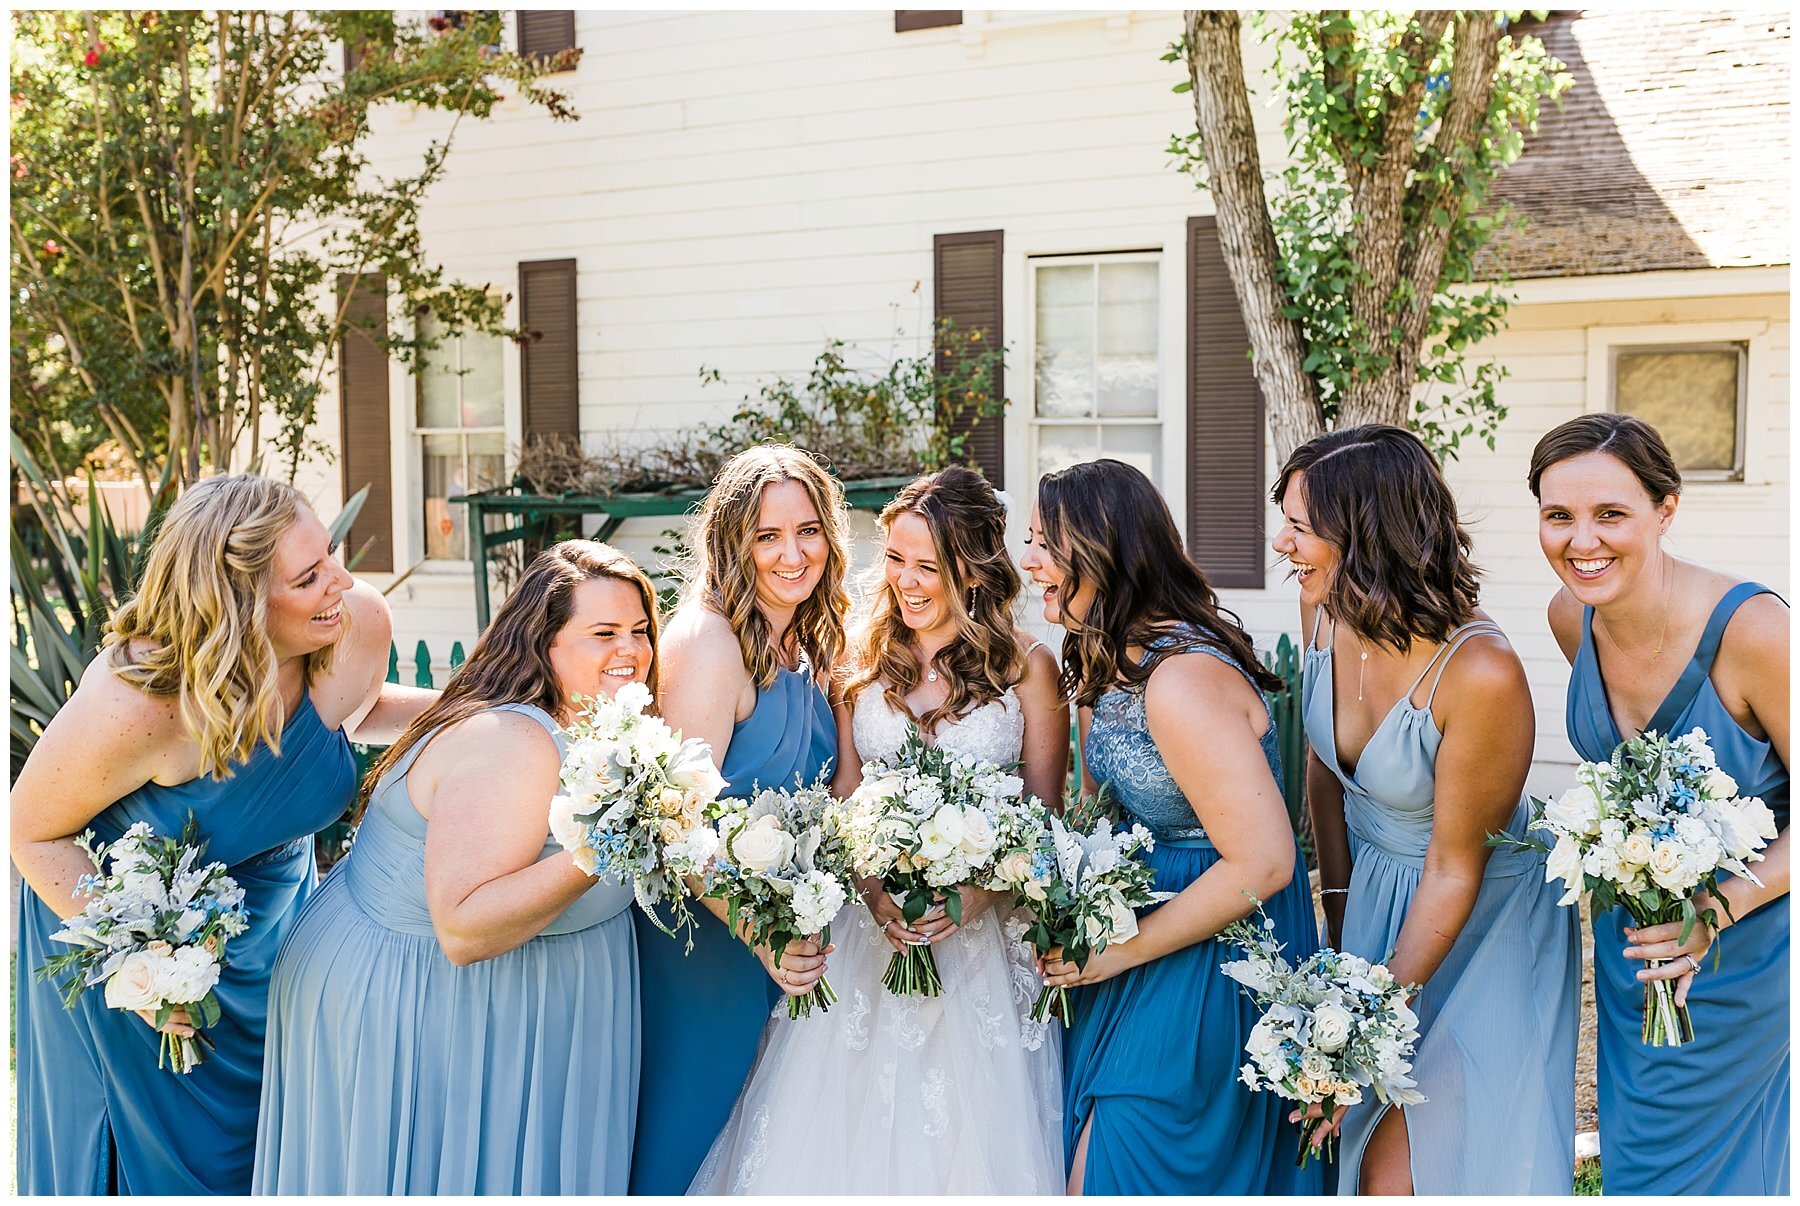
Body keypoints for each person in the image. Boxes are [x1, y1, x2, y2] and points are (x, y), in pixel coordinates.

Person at [13, 474, 429, 1194]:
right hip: (127, 935)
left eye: (330, 554)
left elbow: (353, 712)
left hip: (267, 929)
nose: (341, 581)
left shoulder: (355, 623)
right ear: (239, 603)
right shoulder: (143, 701)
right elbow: (31, 833)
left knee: (275, 1140)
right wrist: (144, 970)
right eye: (309, 577)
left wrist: (489, 708)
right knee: (176, 1164)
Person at [692, 464, 1069, 1194]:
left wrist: (975, 899)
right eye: (895, 559)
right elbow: (847, 789)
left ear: (976, 568)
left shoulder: (1028, 668)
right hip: (870, 940)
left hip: (983, 947)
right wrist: (871, 890)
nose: (909, 582)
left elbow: (1043, 814)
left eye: (931, 566)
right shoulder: (858, 659)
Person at [254, 540, 654, 1193]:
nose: (631, 650)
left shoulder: (598, 722)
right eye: (603, 633)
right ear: (544, 644)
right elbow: (465, 928)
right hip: (421, 1001)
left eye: (639, 630)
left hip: (514, 1002)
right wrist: (611, 844)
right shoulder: (514, 742)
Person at [1273, 424, 1579, 1194]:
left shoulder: (1482, 672)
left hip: (1480, 920)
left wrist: (1363, 1028)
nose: (1282, 543)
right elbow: (1323, 770)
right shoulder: (1324, 611)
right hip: (1375, 896)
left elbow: (1451, 866)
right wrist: (1339, 918)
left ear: (1366, 534)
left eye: (1301, 528)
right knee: (1351, 1143)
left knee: (1406, 1170)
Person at [1023, 458, 1322, 1196]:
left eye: (1044, 544)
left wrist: (1119, 952)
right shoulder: (1102, 657)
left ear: (1102, 550)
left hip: (1210, 951)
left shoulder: (1181, 679)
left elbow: (1263, 863)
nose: (1029, 562)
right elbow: (1102, 809)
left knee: (1119, 1161)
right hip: (1137, 936)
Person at [1531, 412, 1788, 1195]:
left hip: (1740, 949)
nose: (1583, 541)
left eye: (1611, 514)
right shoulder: (1570, 617)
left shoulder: (1753, 631)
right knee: (1636, 1156)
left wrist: (1716, 910)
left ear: (1665, 510)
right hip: (1631, 949)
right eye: (1558, 516)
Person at [631, 446, 849, 1195]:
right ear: (733, 542)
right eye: (767, 537)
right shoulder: (708, 642)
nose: (792, 554)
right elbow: (672, 825)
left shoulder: (806, 639)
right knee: (689, 1138)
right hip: (704, 943)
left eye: (808, 530)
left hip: (775, 941)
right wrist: (762, 935)